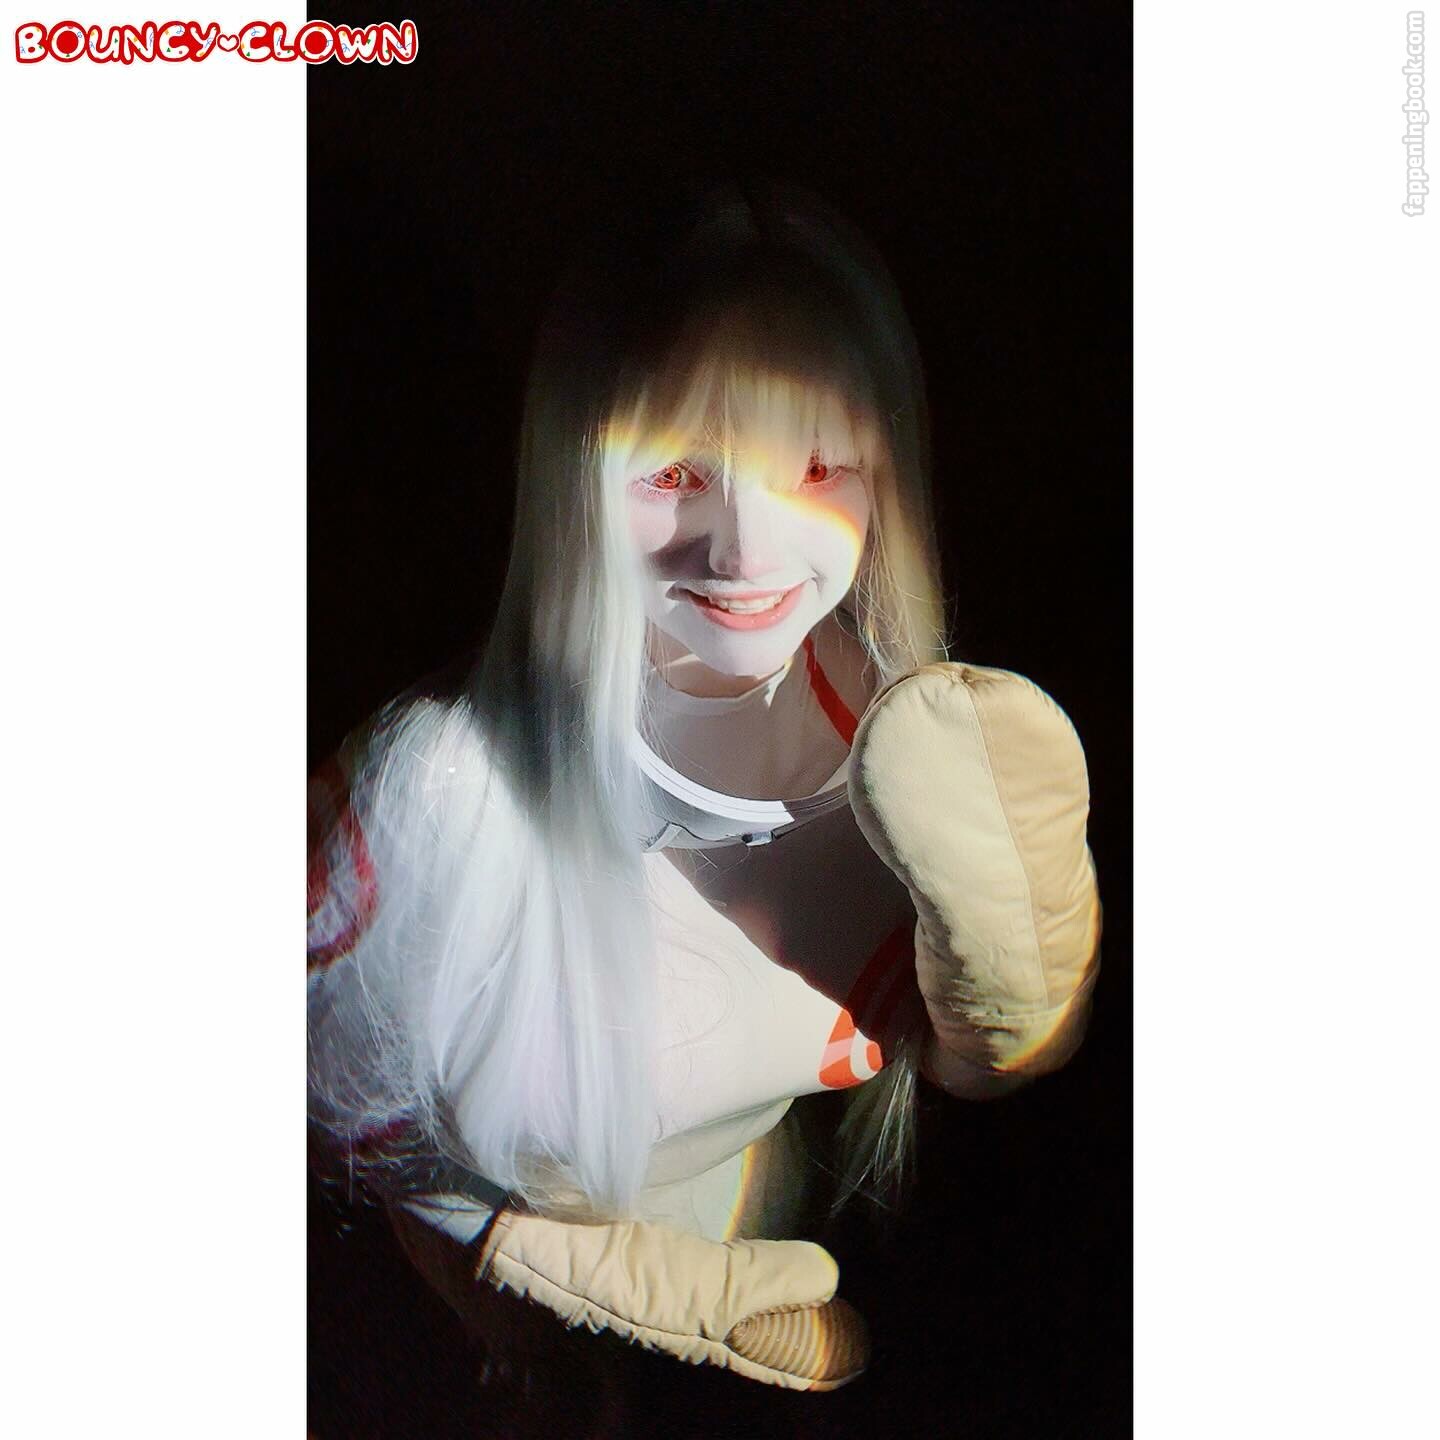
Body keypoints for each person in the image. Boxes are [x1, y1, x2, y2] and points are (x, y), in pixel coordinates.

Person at [307, 181, 1101, 1393]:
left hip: (748, 1208)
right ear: (570, 473)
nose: (745, 552)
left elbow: (976, 1053)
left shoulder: (931, 774)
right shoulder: (428, 811)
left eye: (817, 465)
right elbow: (336, 1092)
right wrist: (555, 1265)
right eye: (677, 472)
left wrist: (1020, 962)